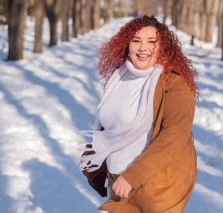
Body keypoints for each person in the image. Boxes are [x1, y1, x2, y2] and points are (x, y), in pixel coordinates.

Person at [79, 15, 198, 213]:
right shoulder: (119, 77)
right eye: (136, 41)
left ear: (163, 47)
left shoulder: (174, 84)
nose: (143, 48)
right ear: (126, 44)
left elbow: (174, 137)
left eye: (152, 42)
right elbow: (108, 125)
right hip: (118, 182)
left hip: (156, 188)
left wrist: (132, 177)